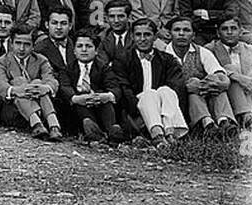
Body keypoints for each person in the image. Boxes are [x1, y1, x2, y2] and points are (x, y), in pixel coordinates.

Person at [114, 18, 187, 147]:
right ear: (132, 36)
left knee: (166, 90)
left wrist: (159, 109)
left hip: (164, 109)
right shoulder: (122, 59)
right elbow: (124, 89)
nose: (142, 39)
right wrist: (141, 109)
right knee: (149, 94)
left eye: (147, 34)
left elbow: (176, 86)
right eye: (138, 35)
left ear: (154, 37)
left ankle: (169, 133)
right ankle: (158, 134)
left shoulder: (167, 60)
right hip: (136, 110)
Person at [165, 15, 234, 136]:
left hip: (203, 97)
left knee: (214, 80)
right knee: (193, 82)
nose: (181, 34)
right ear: (170, 34)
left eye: (186, 30)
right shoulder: (163, 54)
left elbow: (218, 72)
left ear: (193, 35)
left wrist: (210, 84)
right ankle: (206, 123)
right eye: (177, 30)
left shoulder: (201, 51)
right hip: (179, 102)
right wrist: (192, 85)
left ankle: (223, 122)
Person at [0, 27, 63, 140]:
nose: (21, 48)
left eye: (26, 44)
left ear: (33, 46)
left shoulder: (41, 60)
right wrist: (16, 90)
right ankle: (45, 123)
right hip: (13, 112)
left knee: (38, 83)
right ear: (11, 43)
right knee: (18, 81)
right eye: (18, 43)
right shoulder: (2, 61)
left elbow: (51, 79)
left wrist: (45, 87)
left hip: (41, 109)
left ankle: (49, 125)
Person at [64, 30, 124, 143]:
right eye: (80, 46)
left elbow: (114, 86)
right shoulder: (68, 69)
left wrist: (105, 96)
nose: (84, 50)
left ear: (96, 51)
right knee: (79, 101)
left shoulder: (103, 68)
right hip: (79, 109)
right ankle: (91, 130)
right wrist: (76, 98)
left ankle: (112, 130)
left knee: (106, 101)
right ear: (74, 51)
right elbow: (65, 87)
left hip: (99, 106)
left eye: (89, 46)